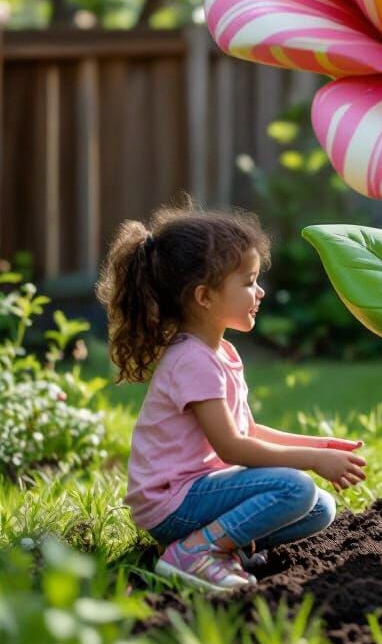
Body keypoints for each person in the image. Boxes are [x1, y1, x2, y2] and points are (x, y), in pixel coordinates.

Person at [97, 202, 367, 592]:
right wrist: (313, 460)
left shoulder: (220, 353)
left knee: (319, 508)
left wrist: (321, 445)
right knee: (296, 489)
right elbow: (234, 447)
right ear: (204, 297)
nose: (259, 292)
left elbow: (248, 430)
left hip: (198, 491)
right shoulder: (192, 360)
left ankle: (217, 550)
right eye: (248, 282)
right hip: (173, 502)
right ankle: (194, 553)